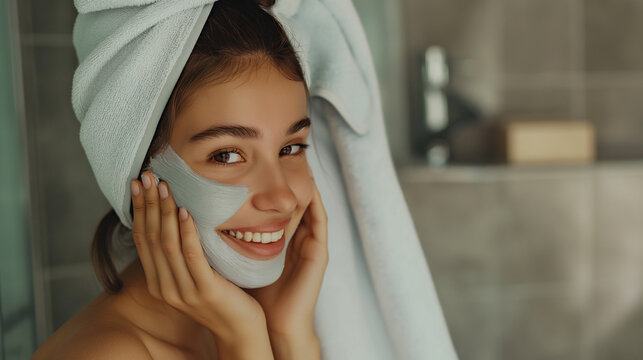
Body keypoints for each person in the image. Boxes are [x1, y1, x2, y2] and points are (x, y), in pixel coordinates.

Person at [32, 0, 328, 358]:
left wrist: (291, 336)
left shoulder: (260, 316)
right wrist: (244, 340)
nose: (282, 198)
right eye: (226, 155)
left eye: (291, 148)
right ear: (139, 169)